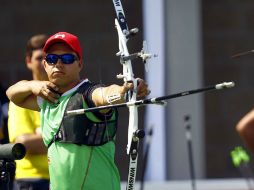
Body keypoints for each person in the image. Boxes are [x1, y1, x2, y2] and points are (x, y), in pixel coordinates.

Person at [6, 31, 150, 190]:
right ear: (46, 65)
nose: (58, 64)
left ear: (79, 64)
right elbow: (12, 94)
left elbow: (105, 94)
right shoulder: (48, 98)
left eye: (67, 59)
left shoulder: (88, 94)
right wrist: (33, 85)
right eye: (52, 59)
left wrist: (124, 92)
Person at [7, 34, 50, 190]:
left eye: (48, 58)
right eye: (39, 58)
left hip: (62, 177)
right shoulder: (20, 98)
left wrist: (40, 135)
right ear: (28, 62)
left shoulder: (64, 95)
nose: (44, 62)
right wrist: (61, 136)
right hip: (31, 181)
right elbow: (22, 143)